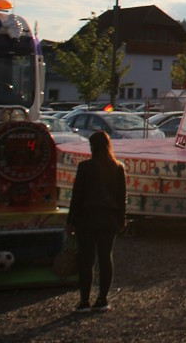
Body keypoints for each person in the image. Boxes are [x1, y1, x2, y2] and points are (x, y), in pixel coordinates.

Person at [67, 131, 126, 314]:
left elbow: (77, 196)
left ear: (92, 146)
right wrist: (121, 219)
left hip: (87, 218)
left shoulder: (85, 167)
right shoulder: (118, 167)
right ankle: (102, 299)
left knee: (87, 259)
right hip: (109, 219)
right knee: (105, 258)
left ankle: (84, 301)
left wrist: (71, 220)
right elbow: (121, 197)